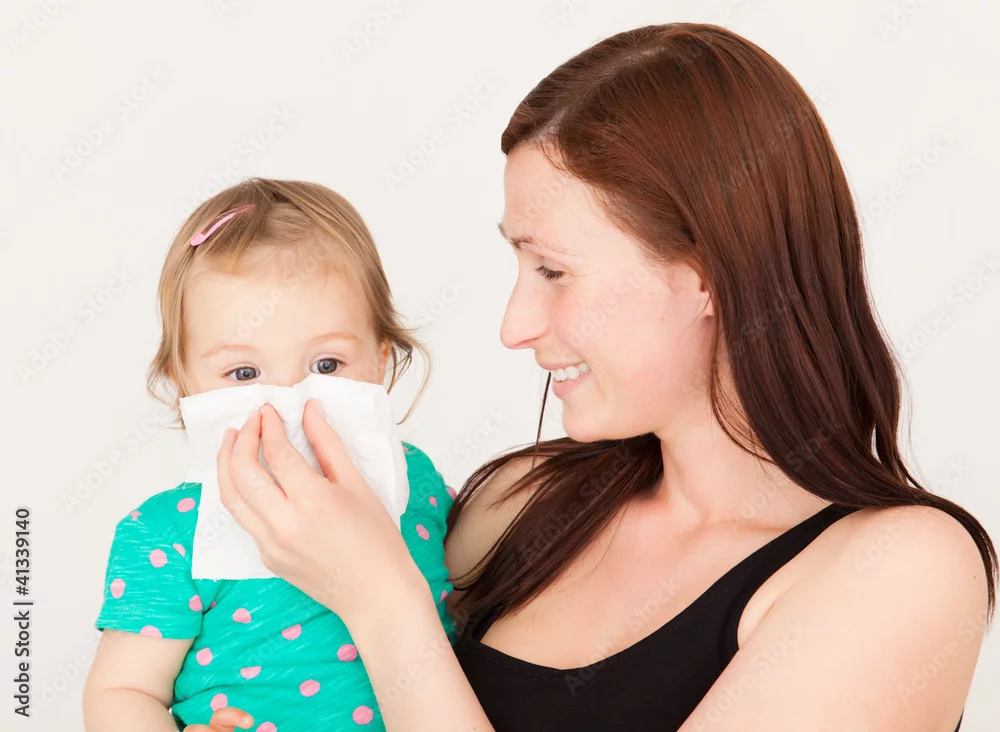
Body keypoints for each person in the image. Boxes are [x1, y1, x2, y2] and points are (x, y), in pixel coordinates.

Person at [192, 23, 996, 731]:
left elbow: (389, 627)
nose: (514, 325)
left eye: (553, 270)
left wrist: (382, 601)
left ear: (707, 274)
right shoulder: (516, 503)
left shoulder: (903, 571)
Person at [81, 179, 457, 731]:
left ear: (380, 362)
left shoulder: (414, 482)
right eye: (244, 373)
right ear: (185, 386)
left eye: (327, 365)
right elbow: (122, 690)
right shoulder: (168, 534)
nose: (286, 402)